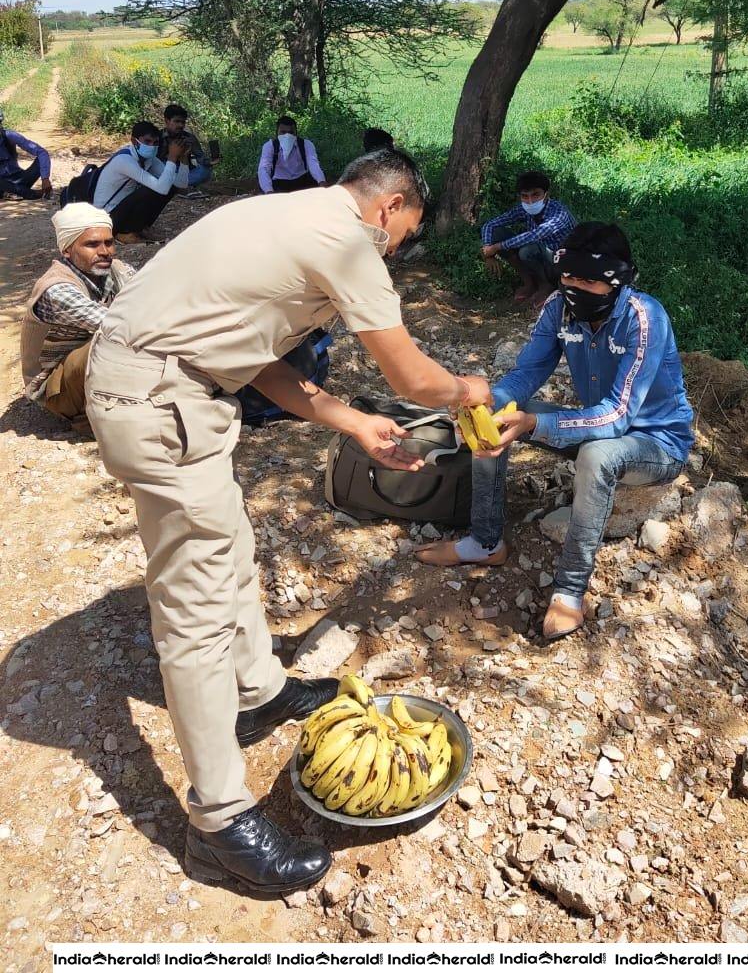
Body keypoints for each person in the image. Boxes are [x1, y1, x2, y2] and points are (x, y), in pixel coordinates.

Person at [85, 146, 490, 897]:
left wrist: (353, 422)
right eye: (402, 238)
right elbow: (411, 375)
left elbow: (255, 362)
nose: (394, 253)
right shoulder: (347, 238)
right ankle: (218, 823)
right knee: (197, 608)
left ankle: (257, 691)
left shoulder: (285, 215)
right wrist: (468, 390)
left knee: (230, 547)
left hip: (174, 385)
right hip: (160, 398)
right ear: (390, 207)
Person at [418, 222, 694, 641]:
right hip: (597, 426)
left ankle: (570, 589)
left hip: (655, 445)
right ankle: (485, 542)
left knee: (597, 454)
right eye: (569, 277)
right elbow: (526, 373)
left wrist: (537, 424)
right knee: (501, 413)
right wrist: (489, 402)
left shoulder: (643, 319)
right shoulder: (558, 307)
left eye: (589, 281)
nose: (575, 289)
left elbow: (618, 416)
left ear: (618, 281)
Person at [20, 204, 133, 428]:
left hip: (89, 374)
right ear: (67, 250)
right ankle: (93, 418)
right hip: (56, 388)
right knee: (113, 341)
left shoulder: (116, 269)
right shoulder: (57, 288)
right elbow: (120, 326)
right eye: (92, 244)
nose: (105, 251)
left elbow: (154, 299)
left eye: (109, 243)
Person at [480, 170, 577, 304]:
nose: (530, 201)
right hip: (541, 255)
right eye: (525, 196)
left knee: (527, 250)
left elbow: (536, 234)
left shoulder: (559, 212)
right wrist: (488, 251)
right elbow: (490, 225)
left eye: (535, 194)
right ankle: (529, 283)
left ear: (546, 195)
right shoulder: (522, 209)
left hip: (563, 261)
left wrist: (497, 247)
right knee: (497, 233)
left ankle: (546, 285)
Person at [93, 120, 189, 242]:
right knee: (150, 189)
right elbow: (162, 188)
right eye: (147, 141)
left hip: (121, 210)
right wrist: (172, 157)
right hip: (105, 219)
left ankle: (140, 228)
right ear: (134, 141)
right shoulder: (124, 160)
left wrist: (184, 160)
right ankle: (124, 232)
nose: (151, 146)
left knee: (167, 185)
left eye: (155, 143)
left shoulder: (149, 160)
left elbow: (179, 184)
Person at [257, 117, 326, 193]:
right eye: (283, 132)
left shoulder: (306, 144)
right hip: (279, 182)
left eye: (291, 132)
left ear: (296, 133)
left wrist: (321, 181)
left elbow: (313, 164)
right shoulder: (270, 146)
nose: (287, 136)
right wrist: (269, 191)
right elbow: (264, 169)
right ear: (276, 133)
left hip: (302, 180)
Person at [0, 106, 53, 200]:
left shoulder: (9, 136)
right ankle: (30, 193)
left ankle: (14, 192)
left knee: (40, 159)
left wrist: (45, 178)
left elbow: (42, 152)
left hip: (21, 179)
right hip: (2, 184)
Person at [157, 102, 212, 191]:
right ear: (167, 121)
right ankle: (179, 185)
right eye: (177, 121)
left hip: (185, 171)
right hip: (165, 170)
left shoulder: (189, 138)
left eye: (183, 122)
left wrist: (209, 162)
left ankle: (176, 185)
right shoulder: (157, 137)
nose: (181, 125)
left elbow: (200, 157)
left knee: (205, 171)